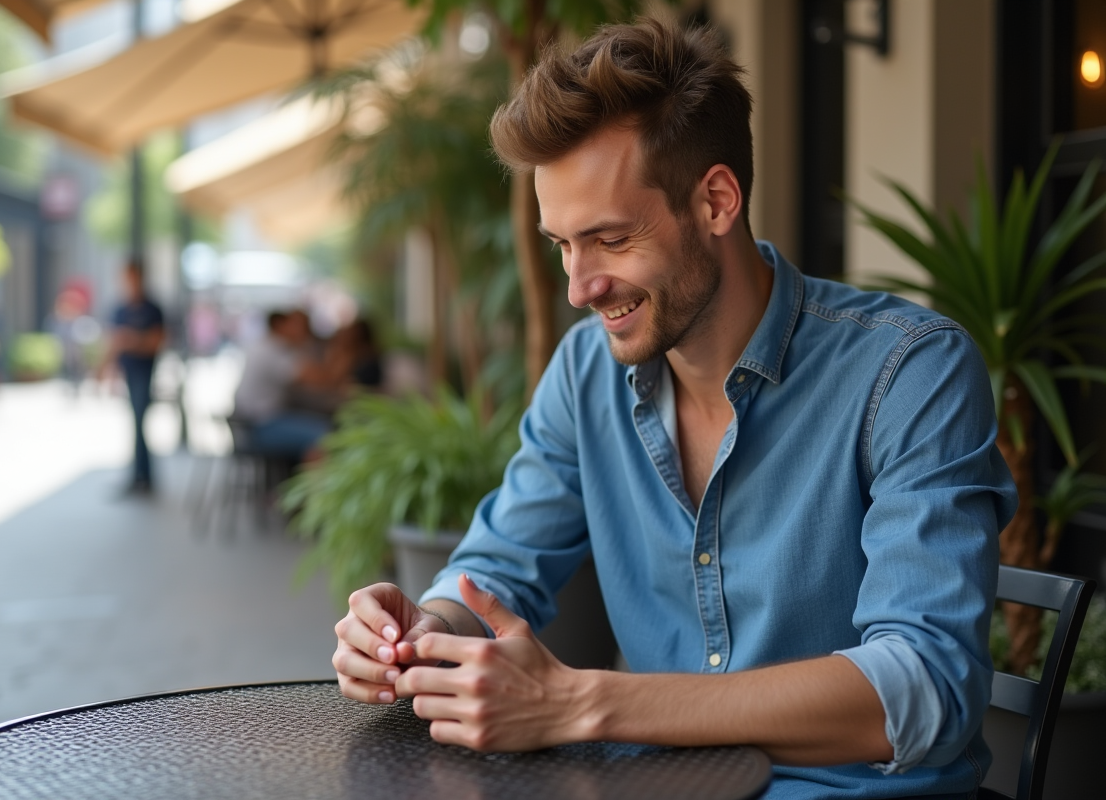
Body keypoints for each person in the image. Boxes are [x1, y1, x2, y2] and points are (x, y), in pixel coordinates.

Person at [332, 18, 1018, 800]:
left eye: (611, 239)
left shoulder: (909, 370)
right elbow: (495, 569)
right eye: (561, 244)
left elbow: (926, 689)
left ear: (717, 201)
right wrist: (421, 630)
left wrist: (585, 704)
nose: (579, 287)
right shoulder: (586, 370)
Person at [233, 310, 331, 460]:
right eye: (297, 325)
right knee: (325, 437)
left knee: (320, 426)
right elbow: (318, 379)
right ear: (280, 325)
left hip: (253, 424)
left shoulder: (264, 345)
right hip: (261, 427)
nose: (303, 330)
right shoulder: (274, 350)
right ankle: (314, 483)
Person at [104, 262, 165, 495]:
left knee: (140, 424)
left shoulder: (152, 309)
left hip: (144, 372)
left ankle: (143, 477)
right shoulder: (121, 309)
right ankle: (139, 475)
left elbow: (155, 342)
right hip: (128, 373)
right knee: (135, 425)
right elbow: (114, 343)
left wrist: (132, 341)